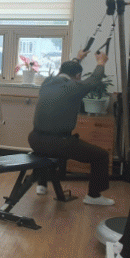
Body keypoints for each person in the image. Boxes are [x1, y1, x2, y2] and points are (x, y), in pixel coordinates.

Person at [28, 49, 113, 204]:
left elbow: (67, 72)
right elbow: (94, 79)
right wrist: (101, 62)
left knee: (45, 151)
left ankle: (41, 185)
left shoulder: (47, 82)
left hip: (34, 140)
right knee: (101, 156)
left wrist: (78, 59)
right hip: (59, 143)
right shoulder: (75, 87)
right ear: (78, 76)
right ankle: (94, 196)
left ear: (60, 71)